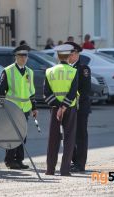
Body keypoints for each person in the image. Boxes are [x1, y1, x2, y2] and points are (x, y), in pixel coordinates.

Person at [0, 44, 38, 169]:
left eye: (25, 56)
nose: (23, 58)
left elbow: (31, 92)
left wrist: (34, 108)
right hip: (12, 108)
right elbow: (0, 91)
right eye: (21, 56)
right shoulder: (8, 71)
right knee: (12, 135)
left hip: (25, 108)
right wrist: (2, 107)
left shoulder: (29, 72)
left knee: (22, 135)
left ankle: (19, 160)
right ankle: (9, 160)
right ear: (16, 56)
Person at [44, 44, 78, 176]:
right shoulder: (73, 71)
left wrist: (58, 107)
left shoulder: (49, 71)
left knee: (53, 139)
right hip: (69, 108)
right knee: (69, 138)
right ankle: (65, 170)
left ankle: (50, 169)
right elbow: (73, 92)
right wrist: (63, 107)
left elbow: (46, 93)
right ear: (69, 56)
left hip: (54, 109)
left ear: (58, 56)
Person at [65, 41, 91, 172]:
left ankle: (80, 163)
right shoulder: (64, 68)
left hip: (80, 107)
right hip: (68, 106)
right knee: (69, 135)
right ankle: (73, 160)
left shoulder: (83, 69)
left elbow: (85, 90)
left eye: (71, 53)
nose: (69, 55)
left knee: (80, 135)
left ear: (76, 54)